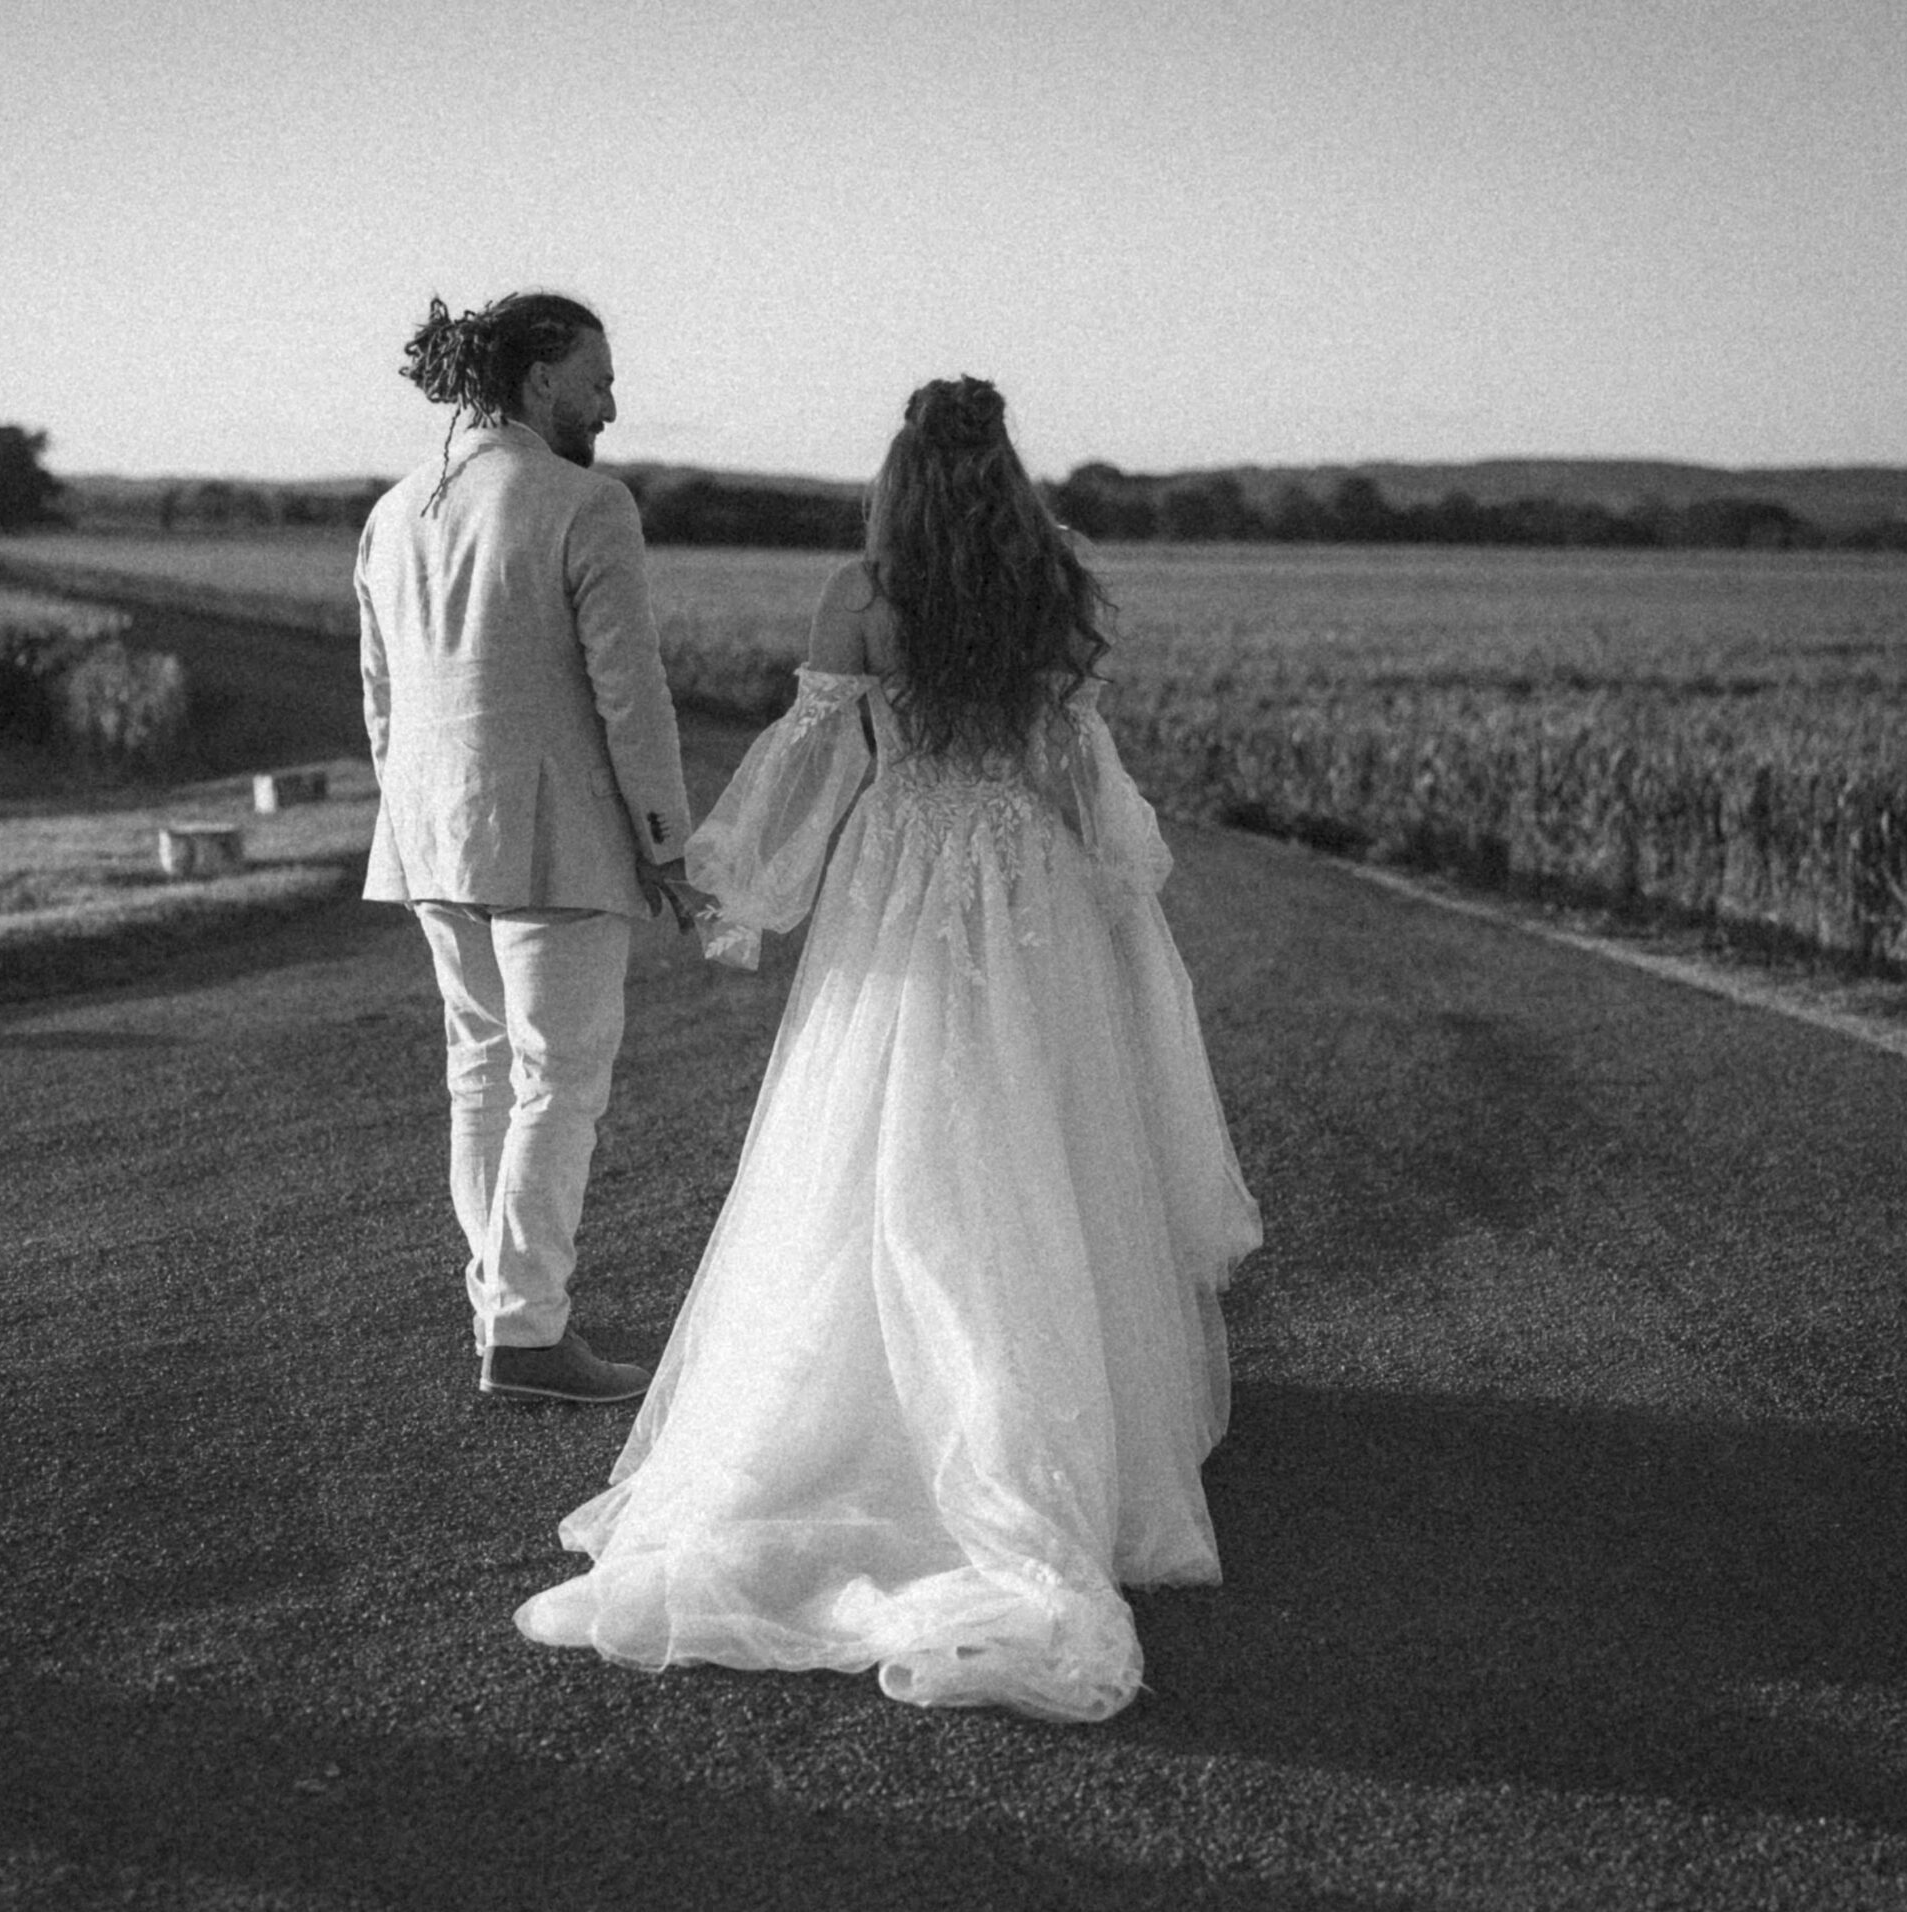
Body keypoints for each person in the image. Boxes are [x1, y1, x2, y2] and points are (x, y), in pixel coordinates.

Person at [516, 377, 1262, 1718]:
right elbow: (1072, 762)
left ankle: (879, 1410)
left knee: (882, 1134)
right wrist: (1113, 879)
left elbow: (816, 759)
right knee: (1039, 1133)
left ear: (902, 471)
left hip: (904, 875)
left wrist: (737, 875)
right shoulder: (1057, 579)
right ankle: (1053, 1420)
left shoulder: (864, 591)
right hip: (1024, 879)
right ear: (1007, 465)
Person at [353, 291, 698, 1406]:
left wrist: (413, 813)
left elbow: (379, 704)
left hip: (429, 833)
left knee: (481, 1078)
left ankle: (502, 1310)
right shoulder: (583, 501)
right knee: (559, 1080)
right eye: (597, 378)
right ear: (542, 378)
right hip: (556, 834)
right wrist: (664, 839)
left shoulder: (392, 511)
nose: (611, 400)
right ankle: (528, 1332)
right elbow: (628, 692)